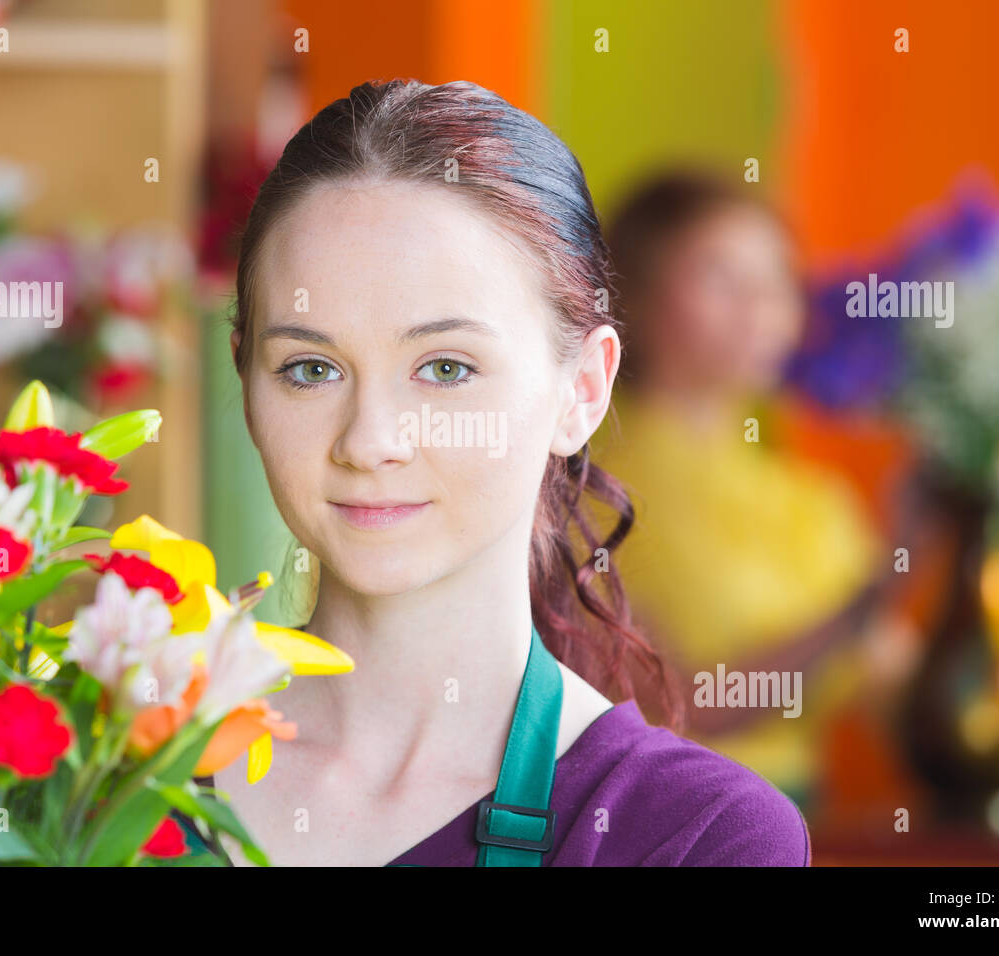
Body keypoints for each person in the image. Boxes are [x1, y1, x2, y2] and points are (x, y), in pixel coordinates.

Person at [211, 80, 810, 866]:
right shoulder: (99, 765)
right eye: (311, 369)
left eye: (447, 368)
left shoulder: (695, 835)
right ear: (247, 384)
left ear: (583, 391)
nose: (371, 441)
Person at [595, 171, 886, 803]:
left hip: (808, 822)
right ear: (633, 297)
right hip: (667, 823)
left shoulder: (812, 499)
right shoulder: (588, 486)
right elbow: (685, 703)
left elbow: (896, 689)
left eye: (776, 278)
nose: (760, 306)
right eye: (721, 276)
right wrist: (874, 596)